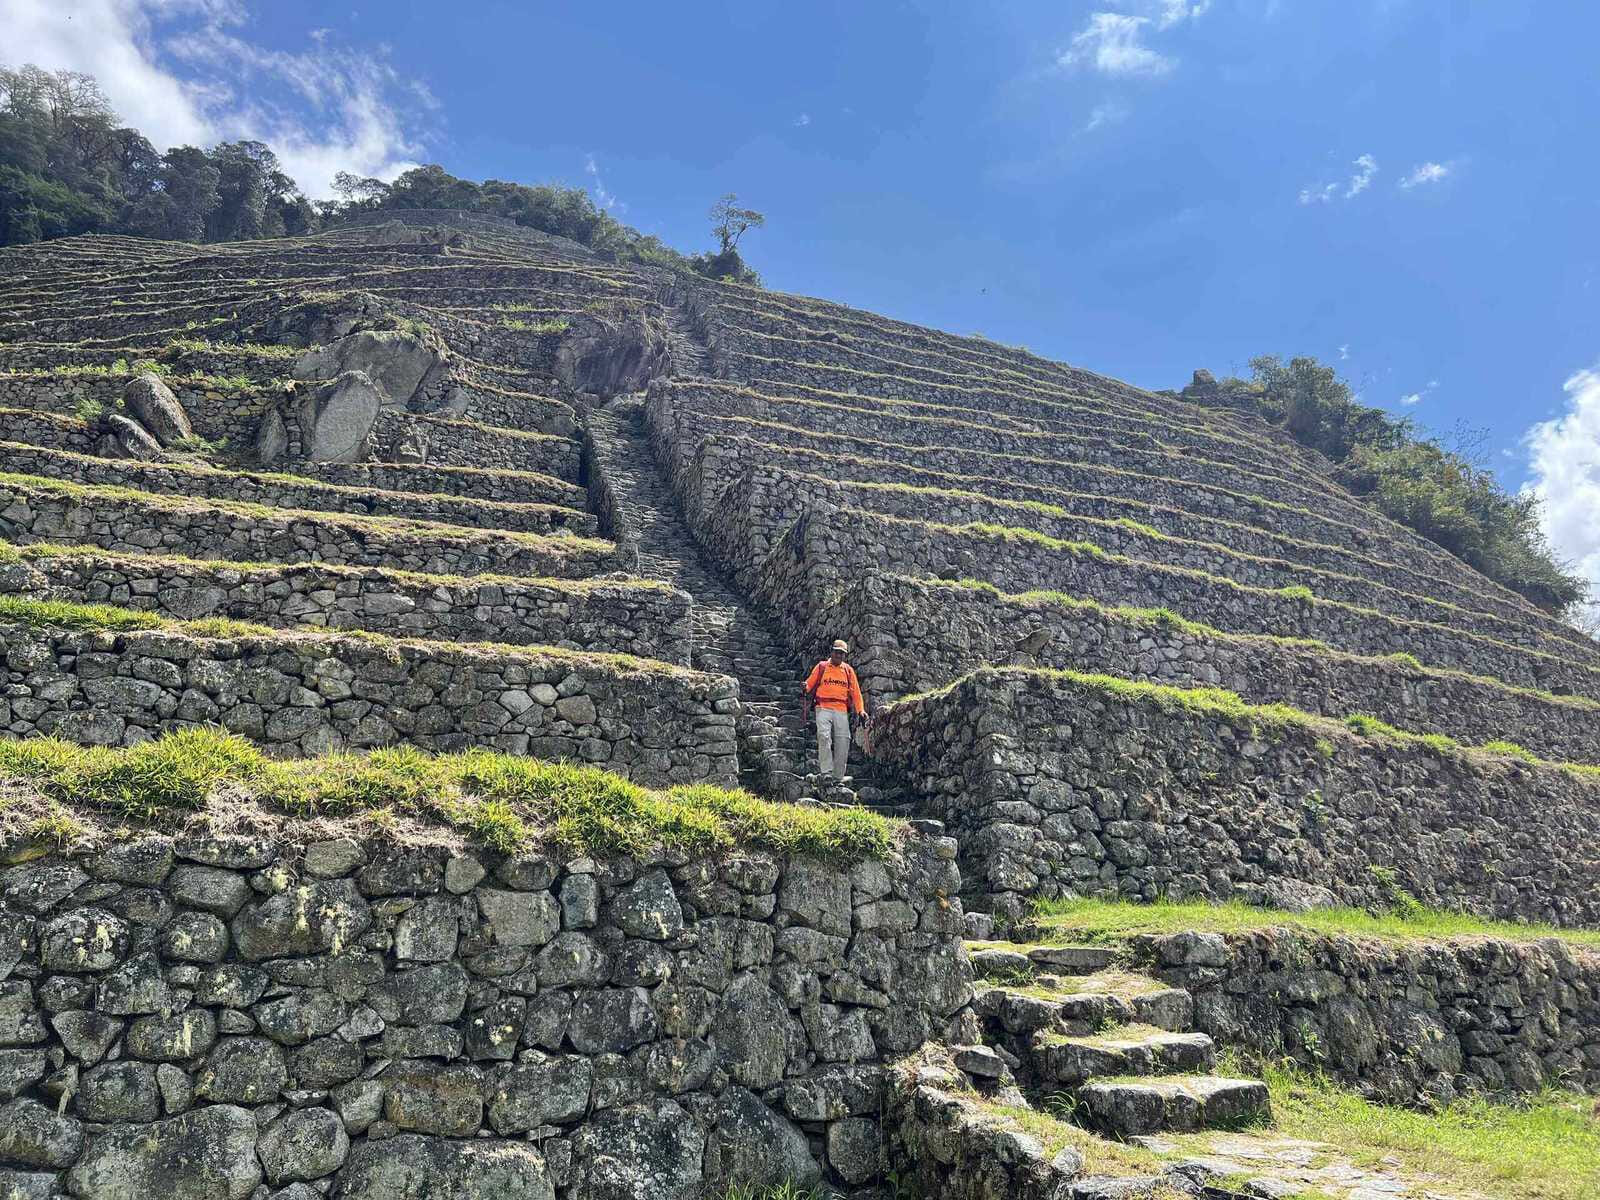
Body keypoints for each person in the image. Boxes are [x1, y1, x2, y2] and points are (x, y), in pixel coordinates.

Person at [802, 639, 869, 785]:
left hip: (841, 709)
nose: (839, 655)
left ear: (845, 656)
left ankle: (838, 776)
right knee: (823, 736)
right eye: (837, 652)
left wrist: (861, 710)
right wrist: (805, 687)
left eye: (842, 653)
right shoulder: (822, 667)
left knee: (843, 740)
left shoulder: (848, 671)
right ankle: (826, 772)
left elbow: (856, 693)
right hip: (823, 707)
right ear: (832, 652)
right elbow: (809, 683)